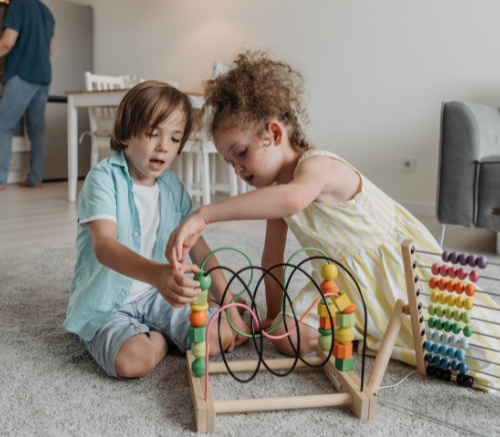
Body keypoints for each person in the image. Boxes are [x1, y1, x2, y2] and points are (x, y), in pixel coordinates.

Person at [165, 51, 500, 391]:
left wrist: (204, 214)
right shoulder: (278, 191)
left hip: (395, 273)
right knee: (283, 335)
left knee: (477, 347)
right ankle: (353, 331)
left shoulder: (316, 167)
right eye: (229, 161)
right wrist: (272, 315)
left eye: (241, 153)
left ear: (274, 133)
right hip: (340, 285)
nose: (237, 168)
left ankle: (368, 330)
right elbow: (271, 259)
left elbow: (294, 198)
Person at [63, 81, 248, 379]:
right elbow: (105, 246)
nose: (164, 146)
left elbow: (201, 250)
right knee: (132, 361)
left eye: (175, 139)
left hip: (159, 295)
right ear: (125, 133)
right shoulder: (102, 179)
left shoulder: (172, 188)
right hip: (109, 304)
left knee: (221, 336)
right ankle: (161, 339)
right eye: (153, 134)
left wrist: (227, 302)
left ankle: (172, 325)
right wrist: (157, 276)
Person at [0, 0, 55, 190]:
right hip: (43, 77)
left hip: (23, 74)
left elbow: (7, 42)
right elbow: (50, 50)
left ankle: (0, 179)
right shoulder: (47, 11)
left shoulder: (17, 6)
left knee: (3, 125)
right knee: (36, 130)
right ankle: (35, 178)